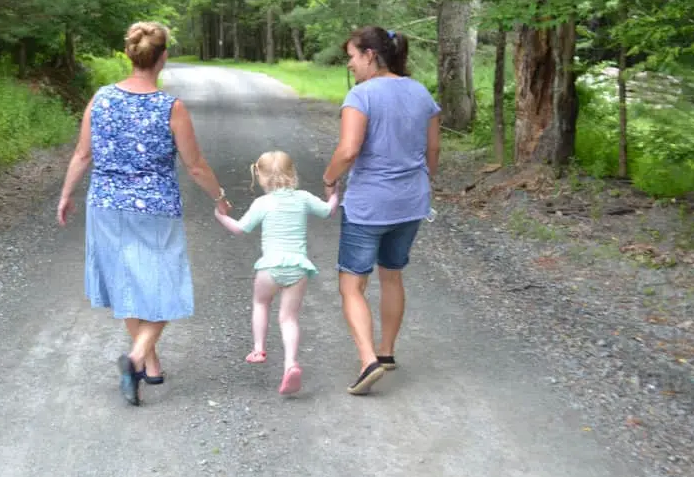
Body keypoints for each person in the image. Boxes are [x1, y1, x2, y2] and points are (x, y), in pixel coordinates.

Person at [57, 21, 232, 406]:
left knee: (128, 284)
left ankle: (151, 368)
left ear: (128, 55)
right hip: (155, 209)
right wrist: (219, 197)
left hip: (104, 205)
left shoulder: (100, 99)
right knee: (165, 286)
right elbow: (196, 165)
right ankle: (138, 357)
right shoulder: (170, 107)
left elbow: (82, 154)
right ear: (164, 58)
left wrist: (66, 194)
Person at [321, 26, 441, 396]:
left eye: (353, 57)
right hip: (411, 202)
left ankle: (367, 359)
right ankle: (387, 352)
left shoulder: (362, 95)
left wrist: (329, 180)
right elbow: (433, 152)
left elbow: (348, 150)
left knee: (351, 282)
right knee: (392, 275)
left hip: (370, 204)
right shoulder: (420, 92)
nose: (350, 64)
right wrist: (417, 182)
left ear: (370, 55)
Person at [214, 151, 338, 396]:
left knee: (261, 303)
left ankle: (259, 348)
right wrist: (334, 194)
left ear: (260, 176)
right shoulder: (303, 198)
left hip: (269, 267)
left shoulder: (263, 203)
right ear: (293, 173)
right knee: (289, 318)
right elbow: (327, 211)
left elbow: (241, 229)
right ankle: (290, 363)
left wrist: (220, 216)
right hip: (298, 267)